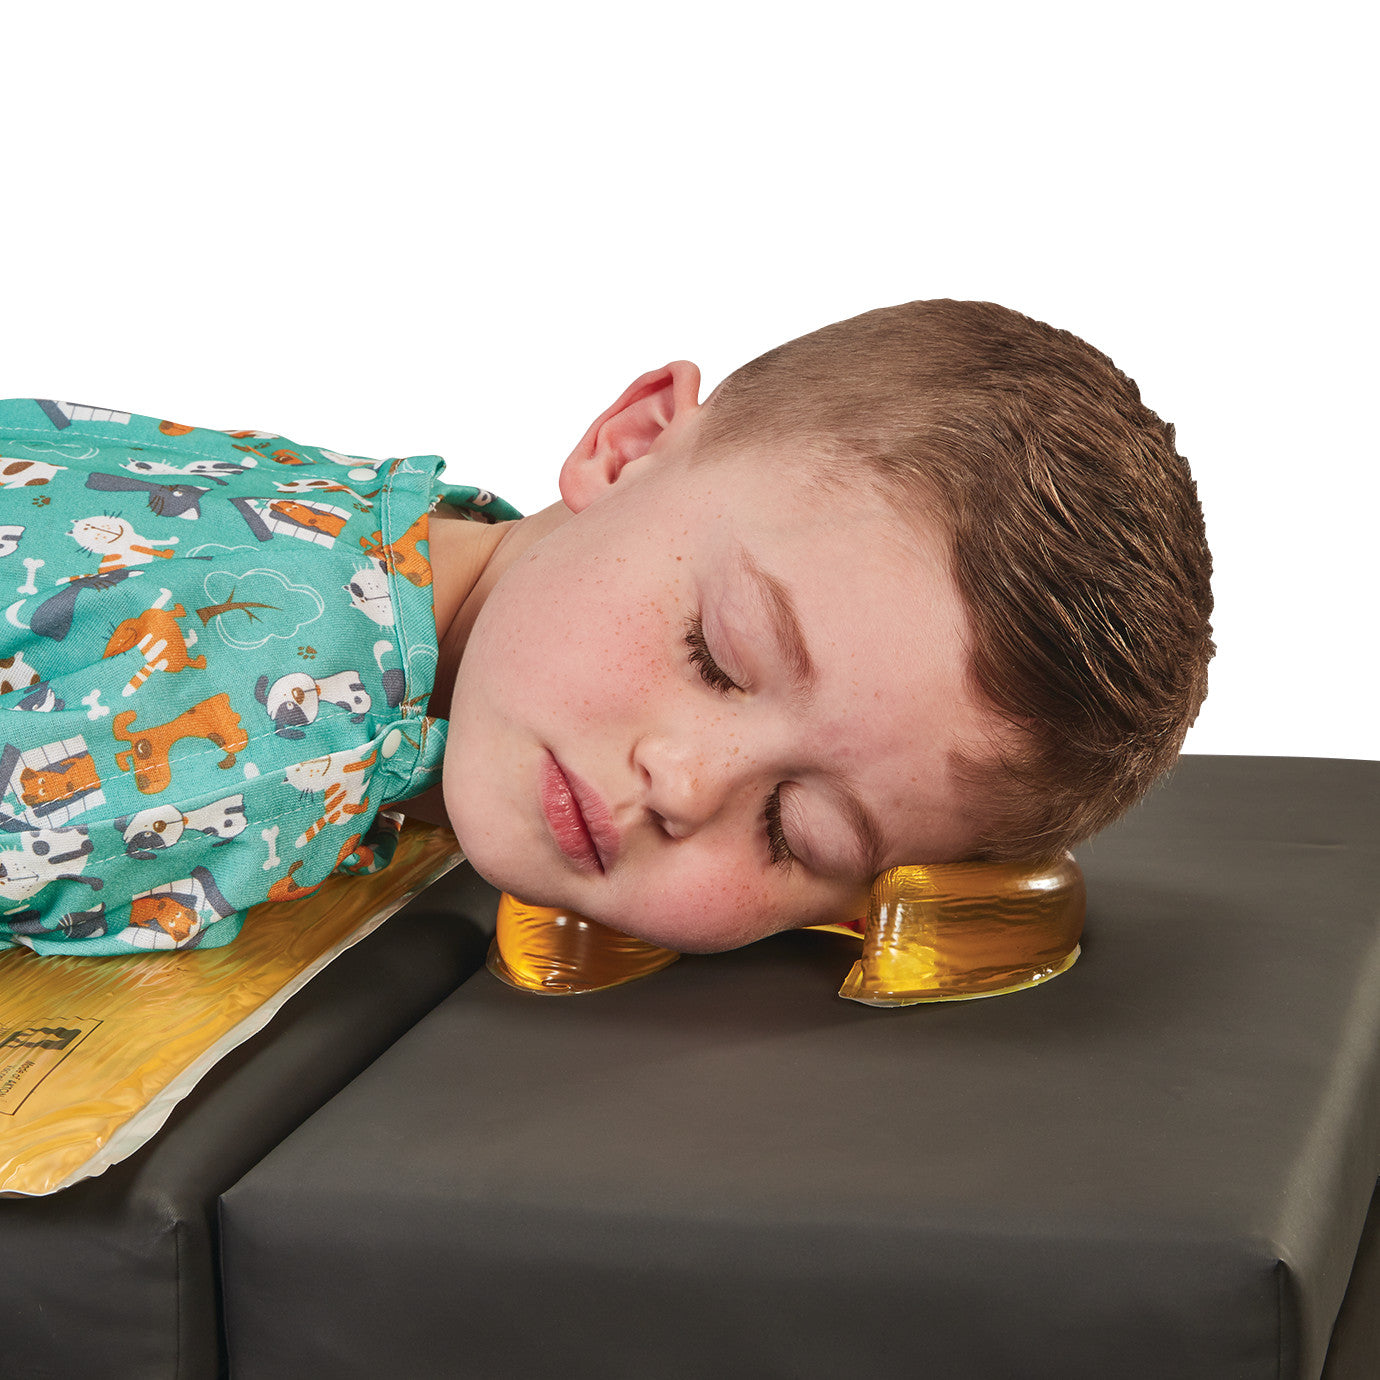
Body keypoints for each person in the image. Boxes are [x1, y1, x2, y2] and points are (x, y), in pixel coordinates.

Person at [0, 299, 1213, 956]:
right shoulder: (265, 720)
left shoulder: (390, 542)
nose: (684, 784)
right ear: (629, 446)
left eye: (794, 833)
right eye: (717, 657)